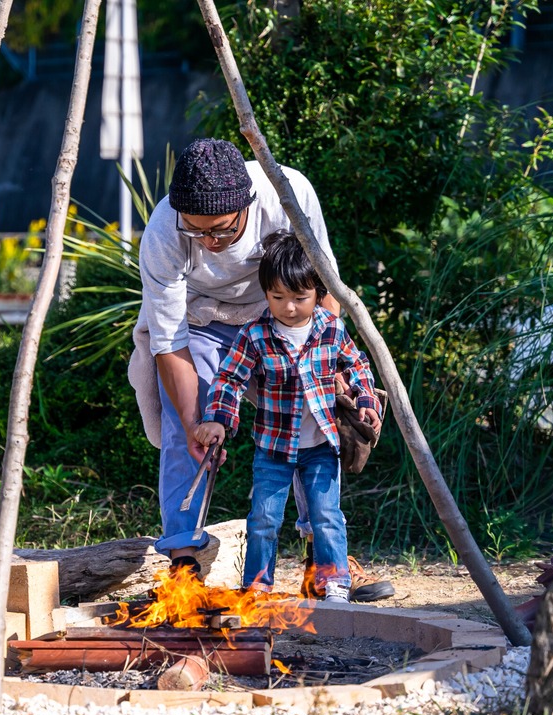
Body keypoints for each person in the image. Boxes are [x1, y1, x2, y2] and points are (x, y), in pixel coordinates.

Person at [127, 137, 394, 600]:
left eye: (222, 230)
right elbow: (169, 342)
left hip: (283, 315)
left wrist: (330, 363)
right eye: (196, 231)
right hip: (201, 323)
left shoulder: (286, 192)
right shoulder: (163, 234)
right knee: (181, 430)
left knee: (310, 419)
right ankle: (183, 566)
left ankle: (323, 561)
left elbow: (324, 282)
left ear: (247, 204)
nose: (209, 242)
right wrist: (197, 424)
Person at [192, 230, 381, 601]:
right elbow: (230, 378)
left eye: (300, 298)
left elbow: (358, 365)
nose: (289, 307)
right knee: (263, 519)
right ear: (265, 293)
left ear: (318, 294)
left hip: (322, 447)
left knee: (327, 516)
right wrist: (218, 418)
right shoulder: (256, 334)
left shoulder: (331, 328)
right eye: (278, 297)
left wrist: (367, 400)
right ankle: (257, 588)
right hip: (273, 448)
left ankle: (334, 583)